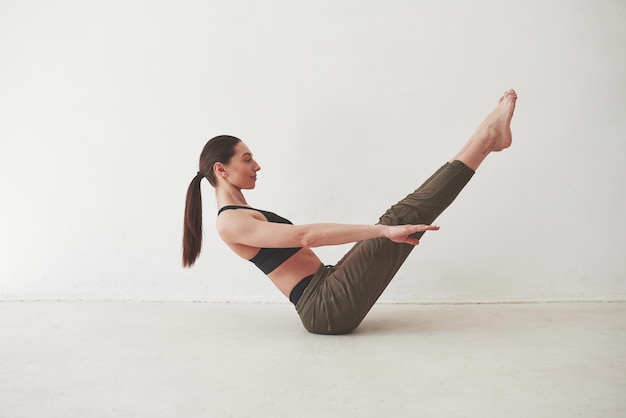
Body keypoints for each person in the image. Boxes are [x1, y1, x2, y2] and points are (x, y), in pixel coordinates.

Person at [183, 89, 517, 335]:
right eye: (246, 159)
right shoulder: (230, 221)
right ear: (221, 170)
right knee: (398, 219)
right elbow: (305, 236)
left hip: (327, 284)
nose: (256, 165)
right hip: (325, 308)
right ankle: (487, 138)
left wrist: (383, 231)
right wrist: (383, 232)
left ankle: (487, 137)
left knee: (398, 217)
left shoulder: (242, 213)